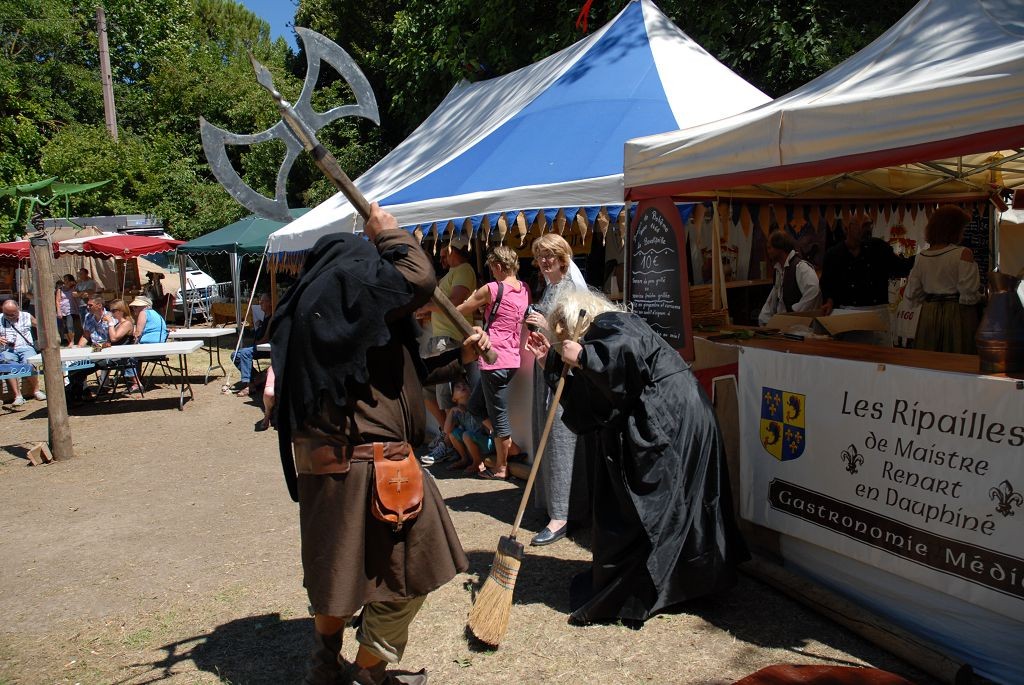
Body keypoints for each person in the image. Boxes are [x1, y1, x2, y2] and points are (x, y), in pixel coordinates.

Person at [269, 202, 491, 685]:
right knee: (412, 573)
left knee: (336, 575)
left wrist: (460, 356)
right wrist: (388, 235)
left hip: (328, 470)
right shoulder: (344, 291)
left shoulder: (321, 314)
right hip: (376, 469)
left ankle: (324, 667)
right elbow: (419, 278)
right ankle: (367, 674)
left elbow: (397, 377)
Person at [532, 287, 748, 626]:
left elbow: (626, 355)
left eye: (565, 332)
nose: (566, 339)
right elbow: (598, 400)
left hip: (676, 418)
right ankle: (678, 580)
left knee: (677, 501)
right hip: (667, 418)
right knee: (670, 503)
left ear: (577, 319)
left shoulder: (615, 324)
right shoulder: (600, 337)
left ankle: (692, 579)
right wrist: (552, 364)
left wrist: (585, 357)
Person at [524, 234, 585, 546]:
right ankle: (551, 504)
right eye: (541, 256)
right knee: (546, 438)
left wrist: (546, 327)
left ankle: (561, 515)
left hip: (564, 375)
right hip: (547, 366)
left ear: (563, 258)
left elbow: (578, 335)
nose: (545, 261)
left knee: (561, 439)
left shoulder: (571, 289)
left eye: (550, 255)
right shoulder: (551, 286)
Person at [456, 245, 530, 480]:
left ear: (498, 266)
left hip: (493, 359)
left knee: (498, 417)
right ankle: (512, 448)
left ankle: (501, 466)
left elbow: (459, 310)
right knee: (475, 407)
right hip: (512, 359)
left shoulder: (492, 288)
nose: (492, 273)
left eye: (492, 269)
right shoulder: (524, 288)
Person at [419, 242, 477, 465]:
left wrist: (427, 308)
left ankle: (449, 442)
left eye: (444, 254)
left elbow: (454, 303)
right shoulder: (452, 273)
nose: (441, 260)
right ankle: (448, 437)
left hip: (451, 339)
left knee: (447, 396)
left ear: (454, 250)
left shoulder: (464, 269)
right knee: (429, 391)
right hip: (440, 339)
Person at [819, 218, 914, 345]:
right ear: (847, 228)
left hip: (877, 316)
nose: (868, 229)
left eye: (870, 225)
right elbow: (827, 284)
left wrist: (922, 257)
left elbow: (901, 268)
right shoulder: (833, 254)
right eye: (864, 225)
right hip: (847, 317)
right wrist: (829, 301)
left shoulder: (879, 248)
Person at [904, 205, 982, 354]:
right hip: (955, 314)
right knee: (956, 358)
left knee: (930, 360)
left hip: (929, 314)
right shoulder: (963, 253)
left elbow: (912, 293)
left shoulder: (921, 257)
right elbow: (968, 294)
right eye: (962, 229)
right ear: (954, 229)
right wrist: (981, 299)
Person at [758, 230, 822, 326]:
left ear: (779, 248)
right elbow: (773, 299)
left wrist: (795, 312)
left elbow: (814, 290)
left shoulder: (801, 267)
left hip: (799, 328)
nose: (768, 252)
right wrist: (764, 320)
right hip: (783, 326)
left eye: (769, 248)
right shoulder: (779, 270)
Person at [443, 378, 494, 474]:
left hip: (487, 443)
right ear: (453, 398)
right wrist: (451, 411)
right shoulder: (457, 411)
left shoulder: (477, 405)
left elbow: (488, 430)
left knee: (466, 435)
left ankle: (477, 462)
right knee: (452, 434)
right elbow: (446, 430)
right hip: (470, 443)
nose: (462, 386)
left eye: (465, 384)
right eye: (457, 387)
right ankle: (464, 459)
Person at [0, 299, 46, 405]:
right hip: (7, 349)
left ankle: (36, 391)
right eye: (7, 314)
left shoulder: (27, 316)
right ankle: (18, 396)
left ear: (18, 309)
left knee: (30, 363)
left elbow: (41, 327)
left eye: (13, 314)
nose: (10, 317)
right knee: (8, 365)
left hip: (26, 347)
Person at [231, 293, 273, 396]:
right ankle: (258, 378)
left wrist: (257, 343)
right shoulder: (265, 316)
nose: (260, 303)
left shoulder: (272, 317)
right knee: (235, 355)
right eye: (260, 301)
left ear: (270, 303)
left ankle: (250, 384)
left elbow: (266, 338)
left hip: (267, 348)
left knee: (245, 352)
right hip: (259, 346)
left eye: (262, 301)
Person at [106, 299, 142, 393]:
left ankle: (136, 384)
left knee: (95, 363)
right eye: (110, 310)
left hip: (121, 355)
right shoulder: (119, 324)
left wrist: (110, 323)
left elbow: (114, 338)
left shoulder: (127, 323)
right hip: (117, 354)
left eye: (113, 310)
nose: (111, 313)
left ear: (121, 311)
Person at [55, 278, 75, 346]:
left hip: (70, 310)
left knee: (70, 326)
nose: (65, 281)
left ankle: (72, 341)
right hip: (62, 310)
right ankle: (69, 341)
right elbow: (57, 301)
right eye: (65, 280)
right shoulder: (60, 290)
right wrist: (58, 311)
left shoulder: (73, 288)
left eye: (67, 280)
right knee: (64, 327)